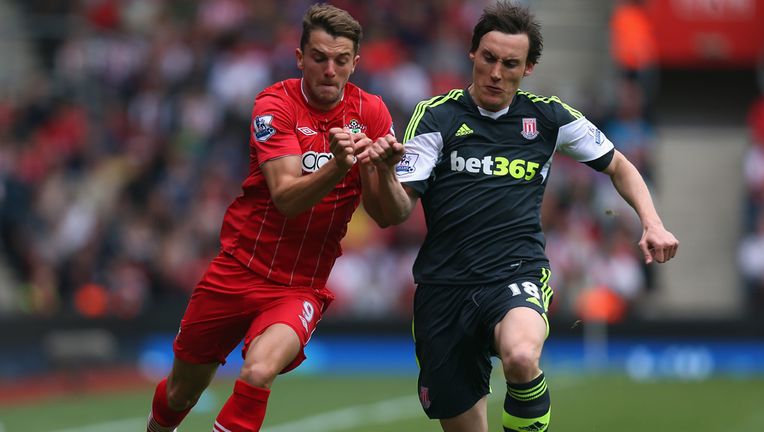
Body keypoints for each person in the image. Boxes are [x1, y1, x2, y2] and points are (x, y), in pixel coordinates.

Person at [376, 2, 679, 431]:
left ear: (529, 68)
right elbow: (398, 207)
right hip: (444, 287)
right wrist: (382, 173)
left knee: (521, 355)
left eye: (510, 63)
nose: (497, 72)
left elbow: (619, 164)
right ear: (472, 56)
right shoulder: (436, 117)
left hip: (515, 274)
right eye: (489, 59)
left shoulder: (548, 117)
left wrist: (652, 222)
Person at [145, 4, 405, 432]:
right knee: (181, 393)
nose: (329, 69)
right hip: (239, 269)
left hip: (300, 285)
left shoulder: (373, 113)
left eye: (341, 60)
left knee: (259, 371)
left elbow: (387, 215)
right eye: (319, 57)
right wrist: (339, 165)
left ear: (355, 63)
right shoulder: (273, 104)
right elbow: (285, 197)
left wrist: (385, 170)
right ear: (300, 57)